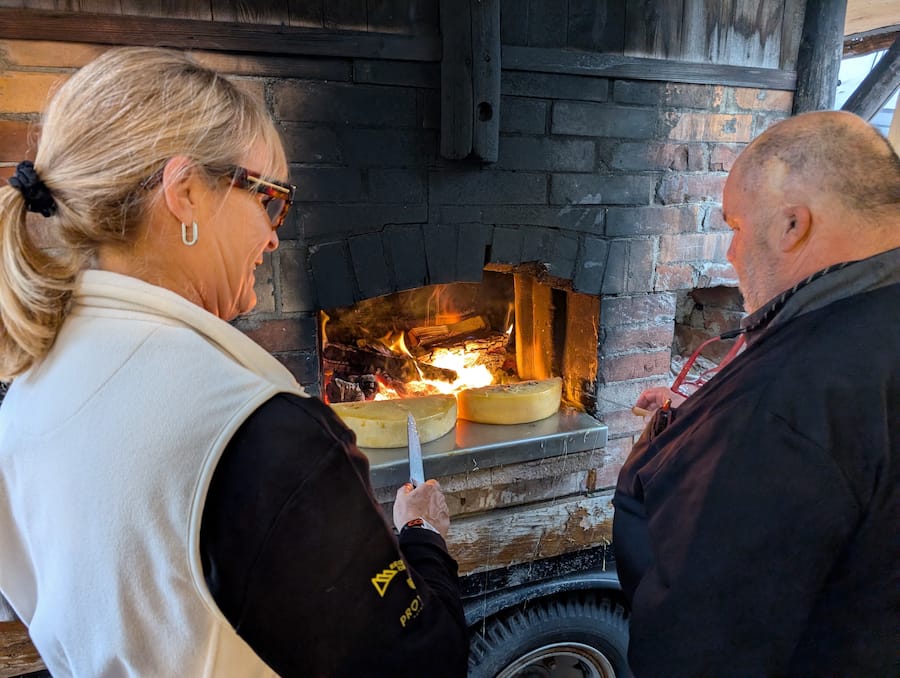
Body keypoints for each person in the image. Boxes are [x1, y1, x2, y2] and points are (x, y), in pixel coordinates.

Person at [0, 47, 468, 677]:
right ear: (186, 191)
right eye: (270, 199)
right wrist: (423, 541)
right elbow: (421, 665)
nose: (275, 235)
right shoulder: (256, 429)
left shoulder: (29, 389)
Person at [613, 110, 899, 676]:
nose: (730, 254)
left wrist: (721, 432)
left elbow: (698, 645)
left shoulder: (782, 402)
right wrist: (701, 426)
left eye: (736, 226)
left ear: (793, 226)